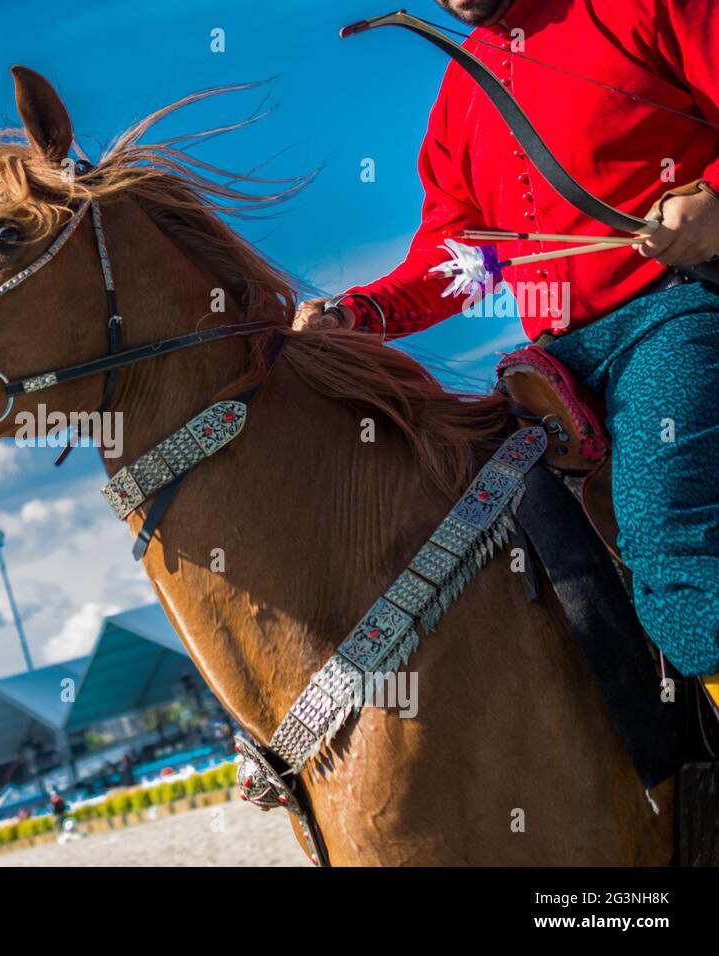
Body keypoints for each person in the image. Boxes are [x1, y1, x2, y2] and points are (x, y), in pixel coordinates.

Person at [295, 0, 719, 678]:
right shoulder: (459, 97)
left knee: (672, 546)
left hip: (677, 314)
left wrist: (714, 201)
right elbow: (461, 263)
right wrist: (359, 315)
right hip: (553, 372)